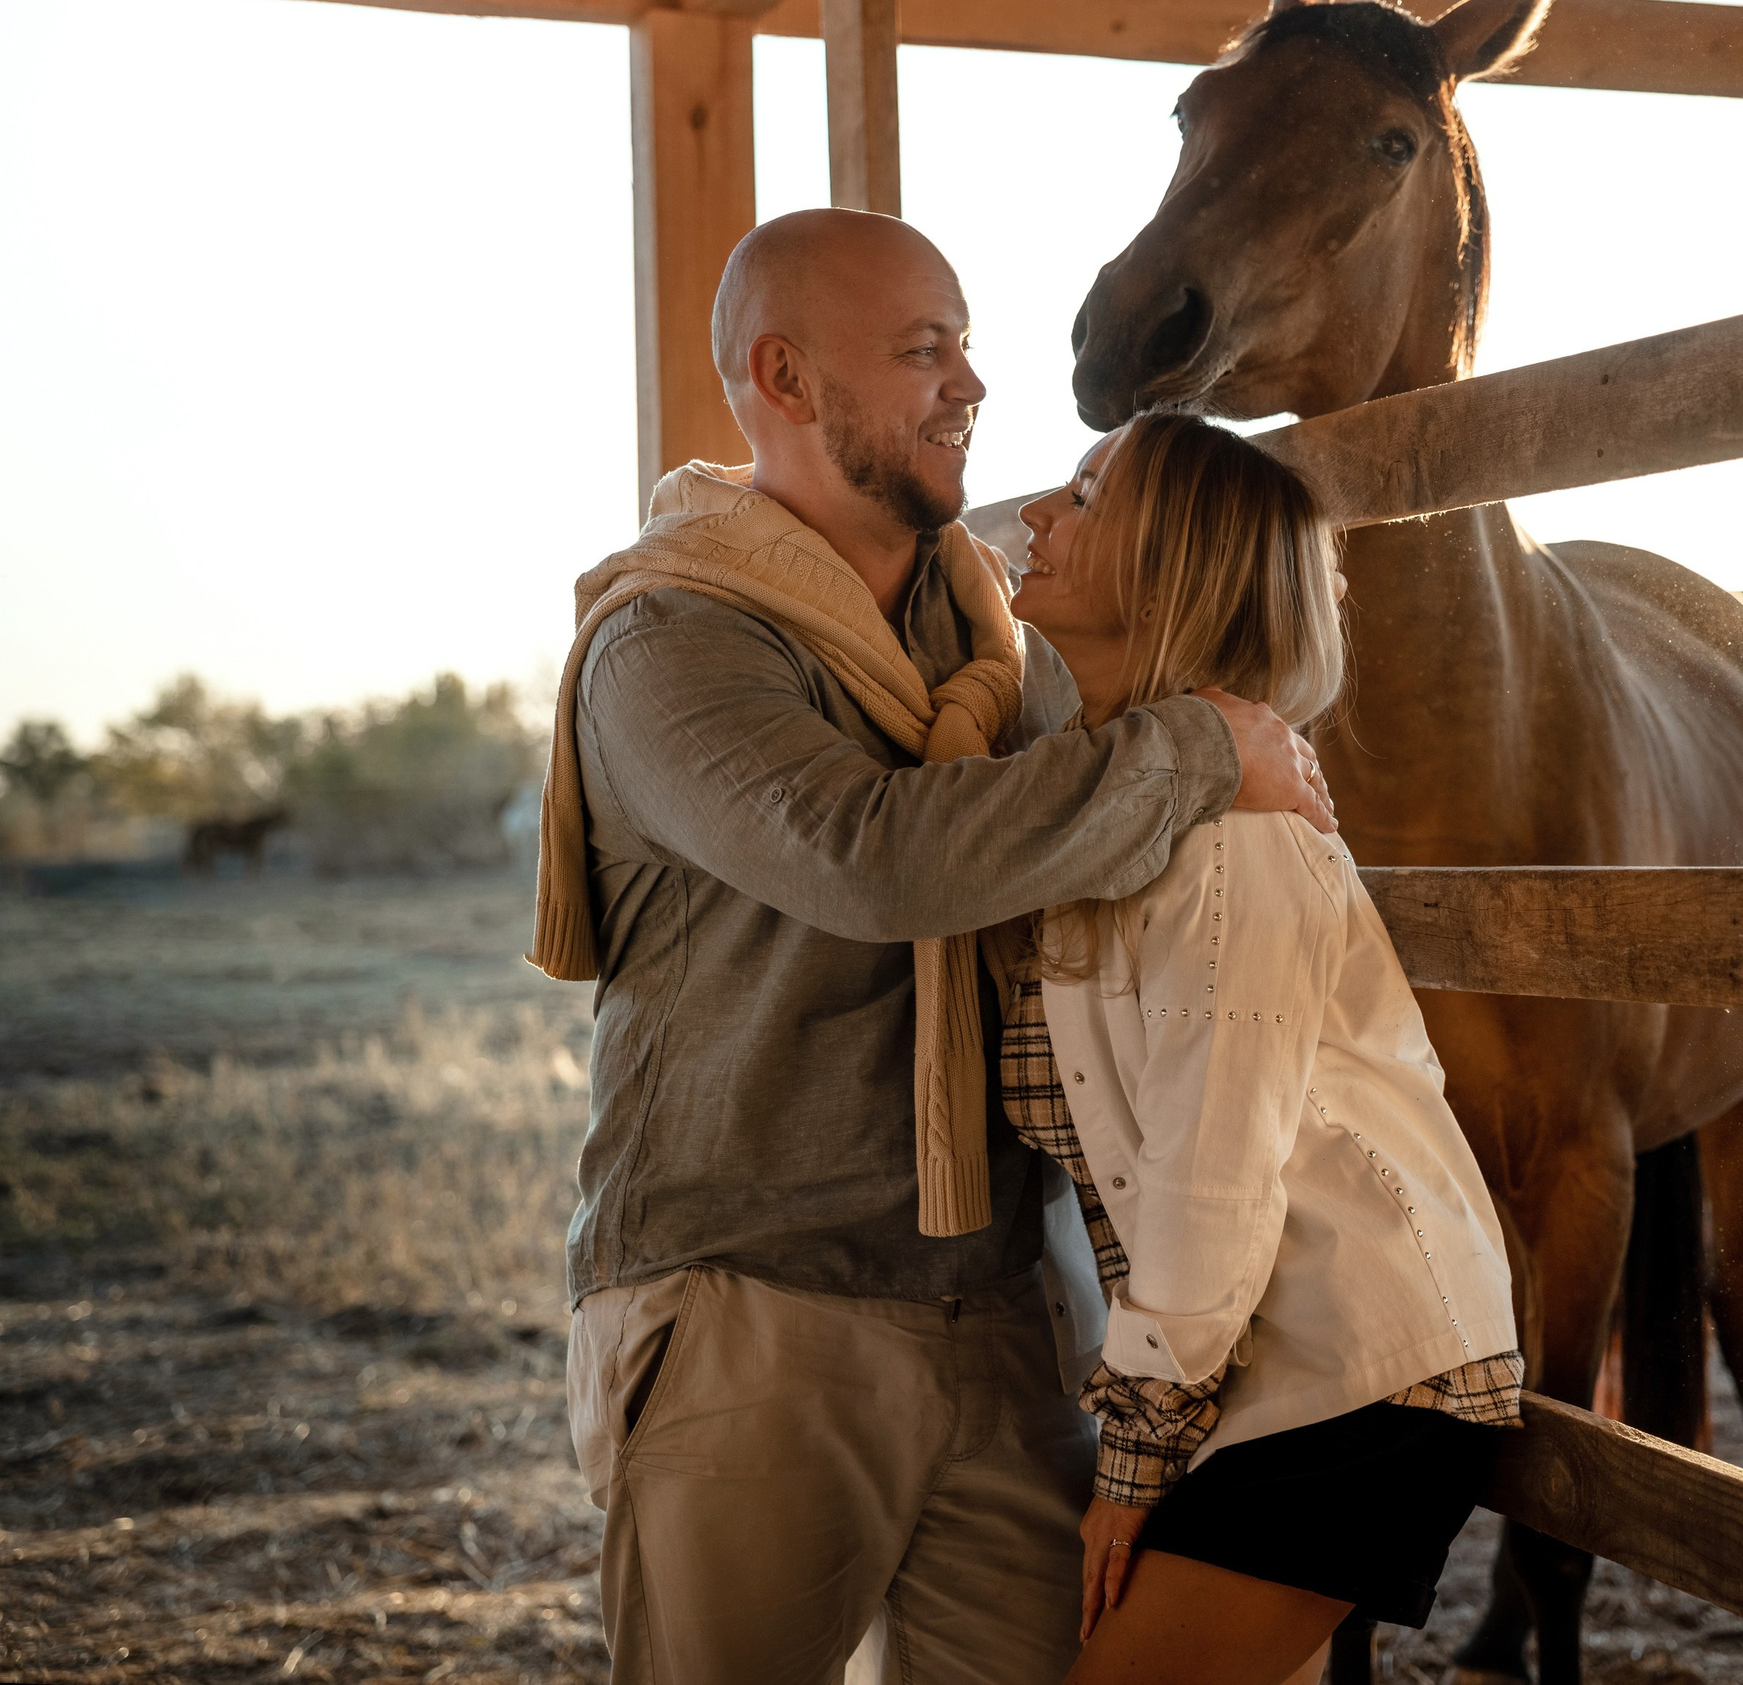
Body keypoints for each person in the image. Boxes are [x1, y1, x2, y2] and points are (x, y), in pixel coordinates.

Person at [537, 209, 1335, 1685]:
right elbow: (877, 855)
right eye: (923, 351)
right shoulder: (673, 644)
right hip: (754, 1303)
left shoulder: (988, 646)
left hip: (1001, 1306)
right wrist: (1193, 752)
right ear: (784, 377)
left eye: (966, 344)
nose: (970, 382)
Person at [999, 412, 1522, 1685]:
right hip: (1252, 1362)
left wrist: (1135, 1460)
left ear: (1173, 562)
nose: (1034, 517)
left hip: (1363, 1376)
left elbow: (1209, 1177)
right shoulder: (1122, 807)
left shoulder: (1233, 846)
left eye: (1082, 495)